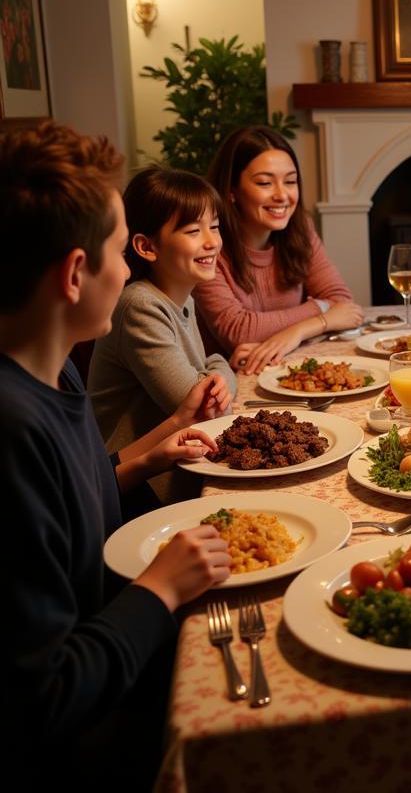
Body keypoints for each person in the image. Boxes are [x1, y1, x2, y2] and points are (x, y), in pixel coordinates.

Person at [0, 122, 231, 786]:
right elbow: (43, 700)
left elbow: (71, 502)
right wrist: (160, 589)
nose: (129, 271)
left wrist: (144, 461)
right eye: (118, 250)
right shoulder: (13, 433)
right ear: (76, 274)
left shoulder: (55, 376)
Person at [88, 167, 236, 452]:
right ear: (146, 246)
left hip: (174, 464)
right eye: (194, 230)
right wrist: (221, 364)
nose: (212, 242)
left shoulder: (181, 298)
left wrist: (216, 371)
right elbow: (203, 407)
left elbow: (207, 382)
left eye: (214, 226)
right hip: (133, 482)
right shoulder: (140, 306)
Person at [195, 125, 362, 374]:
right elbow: (238, 330)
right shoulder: (208, 246)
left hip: (285, 368)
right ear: (232, 191)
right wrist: (323, 312)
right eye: (264, 183)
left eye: (291, 181)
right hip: (228, 382)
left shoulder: (300, 228)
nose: (282, 195)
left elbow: (342, 303)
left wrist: (296, 333)